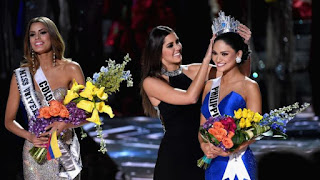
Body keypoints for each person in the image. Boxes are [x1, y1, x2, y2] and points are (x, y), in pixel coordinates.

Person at [140, 23, 252, 180]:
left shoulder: (194, 70)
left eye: (177, 42)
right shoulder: (151, 82)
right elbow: (189, 97)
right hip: (176, 157)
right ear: (158, 51)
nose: (177, 48)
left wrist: (244, 48)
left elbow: (239, 81)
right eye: (170, 45)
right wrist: (207, 59)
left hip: (205, 151)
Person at [4, 17, 85, 180]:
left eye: (42, 33)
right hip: (35, 153)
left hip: (65, 152)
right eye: (32, 35)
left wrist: (65, 124)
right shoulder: (21, 76)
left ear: (53, 36)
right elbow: (8, 121)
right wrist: (29, 136)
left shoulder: (71, 68)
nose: (37, 38)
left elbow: (88, 112)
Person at [199, 27, 262, 179]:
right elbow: (202, 127)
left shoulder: (250, 86)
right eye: (215, 53)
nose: (218, 59)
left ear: (238, 54)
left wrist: (230, 149)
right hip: (214, 162)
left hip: (238, 162)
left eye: (224, 54)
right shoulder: (209, 85)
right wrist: (204, 146)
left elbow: (256, 130)